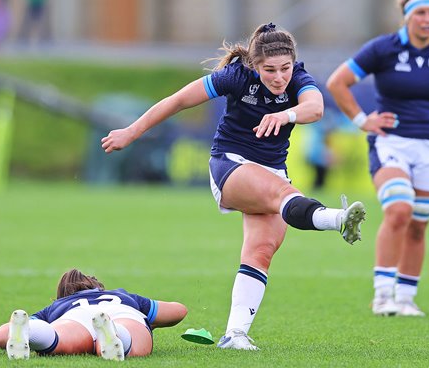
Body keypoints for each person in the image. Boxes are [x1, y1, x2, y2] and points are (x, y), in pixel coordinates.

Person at [101, 23, 366, 350]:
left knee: (261, 252)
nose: (279, 77)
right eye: (269, 70)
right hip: (231, 163)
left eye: (284, 69)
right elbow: (179, 100)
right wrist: (131, 131)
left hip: (272, 170)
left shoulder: (298, 78)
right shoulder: (236, 77)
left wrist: (286, 116)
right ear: (255, 65)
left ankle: (235, 335)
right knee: (283, 195)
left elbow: (315, 107)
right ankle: (339, 220)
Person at [326, 0, 429, 317]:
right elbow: (338, 82)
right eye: (420, 12)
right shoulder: (383, 48)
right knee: (398, 210)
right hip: (391, 141)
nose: (427, 19)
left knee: (419, 223)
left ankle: (406, 298)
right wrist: (363, 119)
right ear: (407, 16)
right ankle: (382, 296)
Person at [0, 269, 188, 360]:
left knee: (57, 339)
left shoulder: (59, 305)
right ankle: (116, 334)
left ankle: (31, 332)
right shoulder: (122, 296)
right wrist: (149, 320)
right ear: (98, 287)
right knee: (131, 339)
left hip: (75, 316)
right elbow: (179, 310)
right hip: (122, 314)